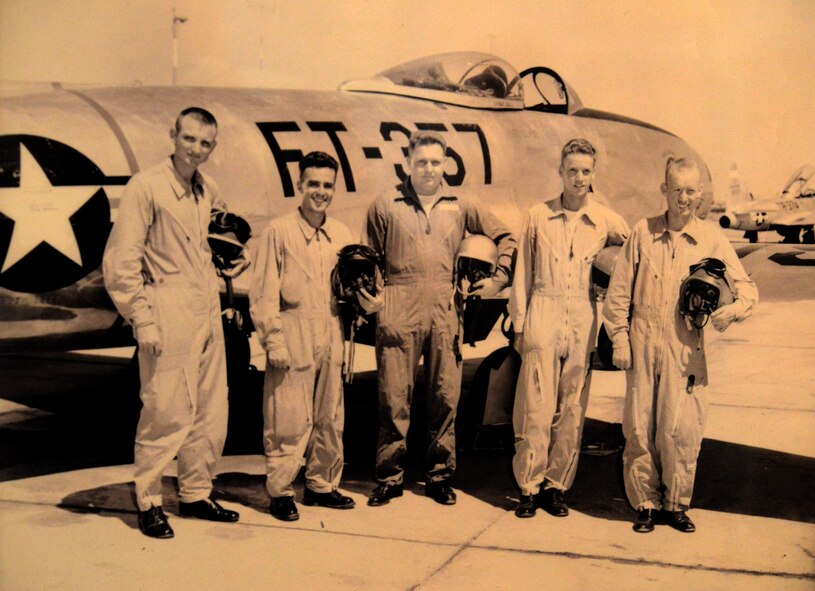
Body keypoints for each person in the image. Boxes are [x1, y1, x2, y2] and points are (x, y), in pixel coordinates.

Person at [103, 107, 248, 539]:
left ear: (213, 147)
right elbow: (122, 260)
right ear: (173, 135)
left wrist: (236, 262)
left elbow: (218, 245)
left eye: (205, 143)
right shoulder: (146, 187)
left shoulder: (208, 189)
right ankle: (148, 500)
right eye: (189, 139)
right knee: (164, 409)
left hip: (206, 307)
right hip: (167, 307)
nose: (196, 150)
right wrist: (141, 319)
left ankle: (196, 493)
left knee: (210, 408)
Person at [359, 130, 516, 507]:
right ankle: (389, 476)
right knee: (393, 398)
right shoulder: (385, 205)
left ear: (445, 164)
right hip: (398, 305)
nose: (428, 169)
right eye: (421, 162)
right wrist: (370, 298)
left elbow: (507, 236)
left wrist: (499, 280)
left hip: (446, 306)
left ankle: (439, 476)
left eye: (435, 162)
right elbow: (368, 257)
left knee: (445, 396)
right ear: (407, 164)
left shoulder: (461, 203)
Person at [603, 157, 758, 533]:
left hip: (685, 343)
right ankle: (645, 504)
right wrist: (619, 339)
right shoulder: (643, 232)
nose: (683, 198)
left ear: (700, 194)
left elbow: (747, 290)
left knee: (681, 427)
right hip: (642, 338)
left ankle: (675, 504)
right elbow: (618, 294)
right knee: (640, 427)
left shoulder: (711, 238)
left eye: (690, 191)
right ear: (664, 190)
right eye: (676, 190)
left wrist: (731, 312)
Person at [509, 138, 630, 519]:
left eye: (586, 171)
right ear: (560, 172)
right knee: (535, 405)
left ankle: (556, 486)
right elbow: (522, 273)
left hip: (582, 314)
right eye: (572, 170)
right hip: (543, 308)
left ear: (594, 175)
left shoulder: (607, 219)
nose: (579, 178)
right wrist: (519, 323)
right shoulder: (537, 216)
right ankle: (529, 486)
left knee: (572, 406)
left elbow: (632, 255)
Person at [249, 151, 356, 522]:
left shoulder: (341, 233)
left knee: (329, 414)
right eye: (313, 184)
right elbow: (263, 294)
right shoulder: (279, 231)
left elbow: (351, 287)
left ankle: (320, 484)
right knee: (287, 416)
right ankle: (280, 491)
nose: (320, 192)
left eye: (327, 185)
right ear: (299, 185)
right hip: (292, 328)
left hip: (330, 327)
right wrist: (273, 341)